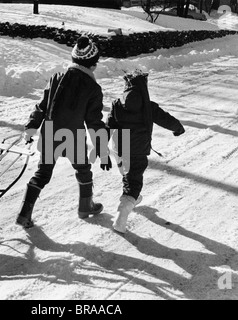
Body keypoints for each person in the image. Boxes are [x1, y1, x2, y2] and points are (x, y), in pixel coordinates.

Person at [16, 35, 112, 229]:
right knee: (83, 169)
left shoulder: (56, 78)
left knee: (42, 173)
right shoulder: (93, 88)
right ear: (92, 64)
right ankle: (86, 206)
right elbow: (94, 122)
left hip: (51, 132)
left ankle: (24, 213)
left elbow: (41, 106)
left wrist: (32, 126)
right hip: (73, 137)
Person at [106, 69, 185, 234]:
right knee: (133, 182)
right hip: (138, 150)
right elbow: (165, 119)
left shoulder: (116, 105)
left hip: (120, 149)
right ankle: (123, 213)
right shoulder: (148, 106)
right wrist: (178, 128)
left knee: (128, 175)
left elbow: (108, 127)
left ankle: (132, 198)